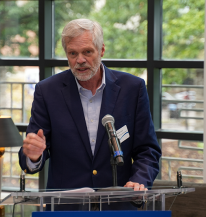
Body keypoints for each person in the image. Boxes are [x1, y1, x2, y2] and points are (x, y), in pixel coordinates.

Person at [18, 18, 161, 209]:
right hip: (66, 207)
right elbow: (31, 154)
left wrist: (139, 180)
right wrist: (33, 155)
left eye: (87, 52)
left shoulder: (132, 88)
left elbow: (147, 150)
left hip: (118, 205)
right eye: (72, 53)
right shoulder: (47, 91)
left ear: (101, 50)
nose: (80, 60)